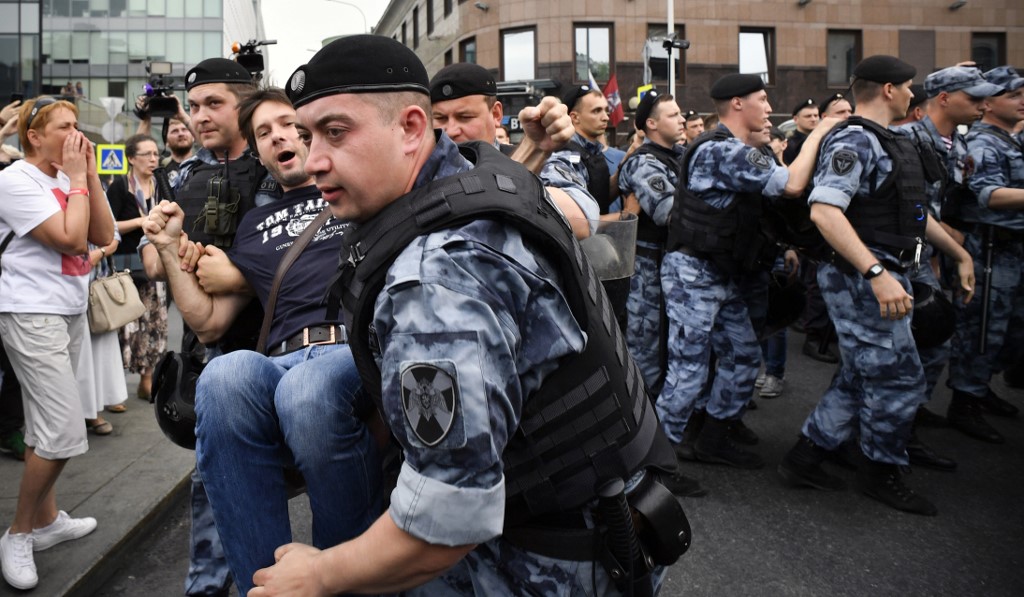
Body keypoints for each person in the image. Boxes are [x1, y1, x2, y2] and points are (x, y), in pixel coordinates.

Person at [249, 34, 687, 596]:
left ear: (410, 128)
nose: (314, 161)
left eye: (336, 132)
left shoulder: (436, 279)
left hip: (547, 562)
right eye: (308, 137)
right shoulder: (485, 175)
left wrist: (320, 574)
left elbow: (444, 520)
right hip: (602, 522)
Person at [143, 87, 381, 596]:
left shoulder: (359, 188)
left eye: (288, 124)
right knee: (224, 374)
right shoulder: (254, 225)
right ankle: (266, 586)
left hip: (348, 351)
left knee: (307, 394)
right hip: (279, 356)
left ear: (312, 130)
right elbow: (207, 323)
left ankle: (341, 580)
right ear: (260, 151)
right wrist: (167, 249)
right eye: (263, 133)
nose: (278, 136)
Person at [776, 56, 975, 516]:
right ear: (888, 89)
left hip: (882, 271)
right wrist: (876, 274)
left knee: (862, 372)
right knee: (900, 377)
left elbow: (916, 213)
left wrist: (960, 253)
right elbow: (825, 211)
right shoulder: (857, 140)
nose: (912, 95)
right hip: (861, 276)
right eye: (907, 87)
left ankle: (807, 456)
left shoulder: (893, 142)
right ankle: (881, 470)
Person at [141, 56, 277, 597]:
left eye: (213, 104)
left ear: (245, 104)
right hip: (209, 358)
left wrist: (234, 270)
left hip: (278, 350)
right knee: (216, 494)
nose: (199, 116)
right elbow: (155, 263)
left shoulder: (278, 169)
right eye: (193, 106)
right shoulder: (185, 176)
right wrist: (184, 255)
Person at [658, 74, 835, 471]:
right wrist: (822, 129)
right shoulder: (721, 150)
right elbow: (790, 186)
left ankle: (713, 438)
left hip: (725, 273)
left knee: (742, 355)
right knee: (687, 372)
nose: (770, 107)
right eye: (762, 99)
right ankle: (656, 467)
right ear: (738, 104)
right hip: (694, 275)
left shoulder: (740, 149)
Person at [0, 96, 115, 590]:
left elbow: (104, 233)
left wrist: (86, 176)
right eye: (65, 128)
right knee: (64, 428)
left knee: (43, 423)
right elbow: (71, 239)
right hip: (30, 311)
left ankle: (46, 523)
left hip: (66, 309)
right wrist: (74, 177)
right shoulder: (13, 181)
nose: (78, 136)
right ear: (34, 137)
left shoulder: (67, 176)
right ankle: (18, 533)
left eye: (78, 127)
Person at [895, 66, 1000, 464]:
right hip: (904, 258)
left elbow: (940, 205)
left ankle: (907, 421)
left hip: (927, 256)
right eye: (973, 99)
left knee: (933, 341)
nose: (982, 106)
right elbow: (913, 212)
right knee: (899, 354)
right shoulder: (907, 140)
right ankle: (889, 434)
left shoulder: (954, 142)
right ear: (944, 98)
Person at [429, 62, 595, 239]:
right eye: (440, 118)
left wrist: (533, 151)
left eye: (465, 117)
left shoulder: (538, 160)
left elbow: (582, 219)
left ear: (496, 114)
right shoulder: (423, 169)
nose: (451, 130)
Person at [947, 65, 1024, 444]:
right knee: (982, 329)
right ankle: (966, 400)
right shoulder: (982, 143)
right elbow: (988, 195)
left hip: (1014, 249)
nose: (1022, 101)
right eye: (1014, 95)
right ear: (988, 103)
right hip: (990, 249)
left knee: (1011, 328)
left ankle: (982, 387)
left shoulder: (1012, 139)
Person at [616, 91, 685, 400]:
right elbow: (666, 211)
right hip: (649, 267)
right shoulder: (644, 161)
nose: (682, 119)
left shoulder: (680, 155)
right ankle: (643, 419)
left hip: (673, 262)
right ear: (651, 124)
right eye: (673, 115)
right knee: (648, 347)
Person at [106, 134, 169, 401]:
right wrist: (141, 222)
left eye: (156, 154)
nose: (154, 159)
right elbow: (107, 225)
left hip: (156, 267)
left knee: (154, 326)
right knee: (125, 328)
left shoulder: (162, 184)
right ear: (131, 158)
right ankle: (116, 390)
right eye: (147, 155)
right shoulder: (120, 186)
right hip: (126, 270)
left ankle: (146, 381)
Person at [782, 98, 818, 165]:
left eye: (816, 116)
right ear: (796, 119)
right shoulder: (789, 145)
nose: (813, 119)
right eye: (808, 116)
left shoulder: (823, 139)